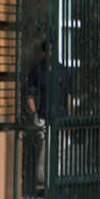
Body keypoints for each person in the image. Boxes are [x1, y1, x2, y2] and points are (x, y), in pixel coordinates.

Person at [26, 40, 72, 189]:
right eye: (49, 51)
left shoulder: (63, 71)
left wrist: (68, 117)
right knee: (45, 149)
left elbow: (68, 95)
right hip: (43, 116)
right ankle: (43, 181)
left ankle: (55, 181)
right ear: (43, 53)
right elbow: (29, 95)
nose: (51, 54)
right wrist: (35, 115)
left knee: (59, 150)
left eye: (53, 51)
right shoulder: (37, 71)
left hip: (60, 116)